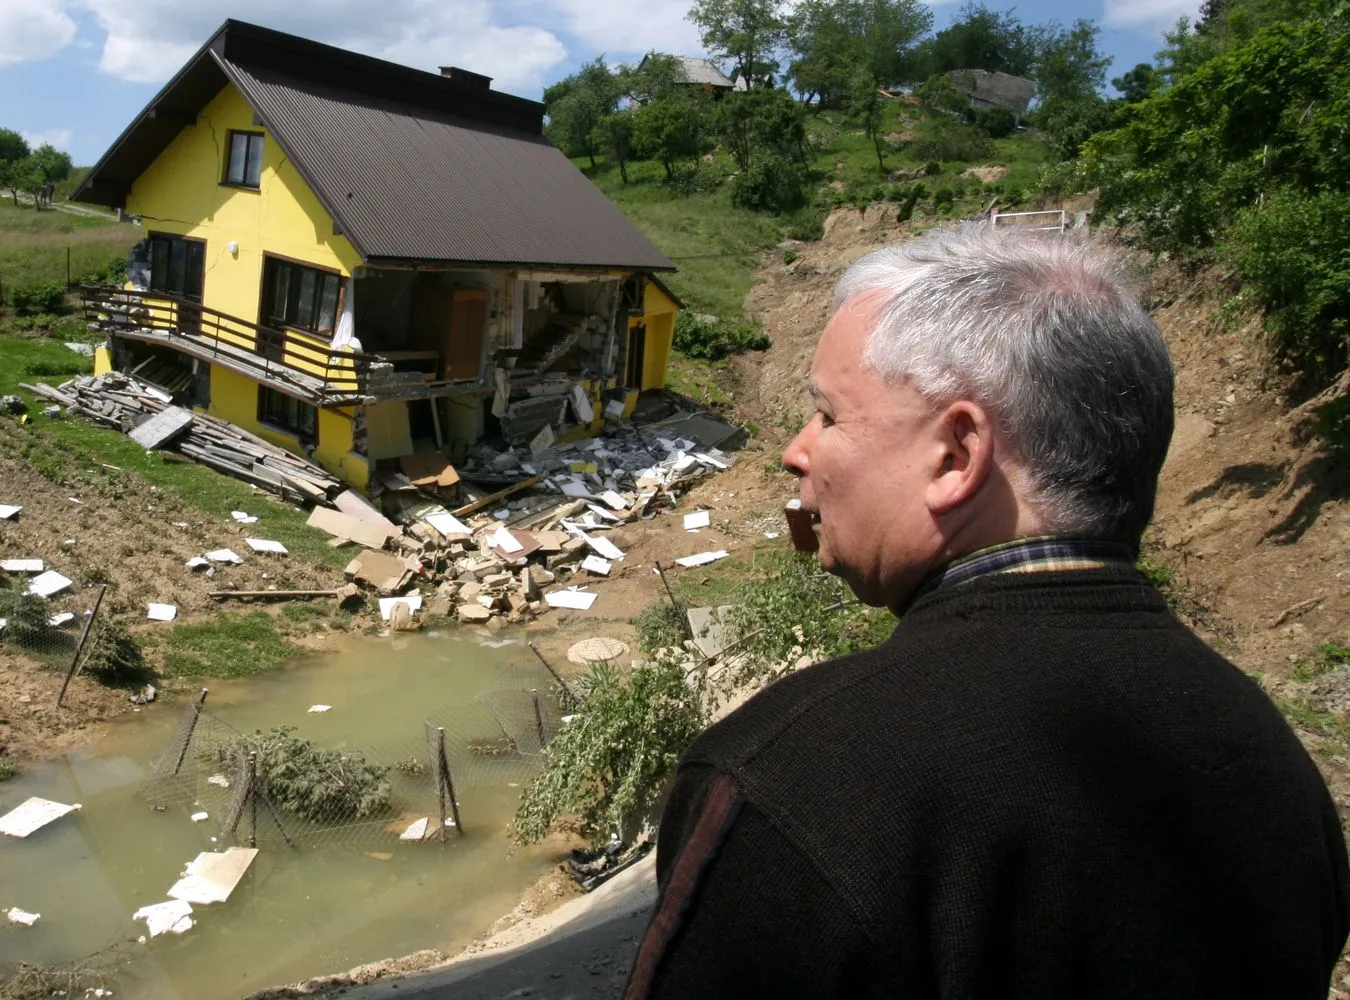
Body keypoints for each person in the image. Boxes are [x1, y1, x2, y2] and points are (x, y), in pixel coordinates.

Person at [624, 224, 1350, 999]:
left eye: (828, 417)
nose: (795, 451)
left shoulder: (795, 778)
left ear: (957, 455)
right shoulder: (1272, 759)